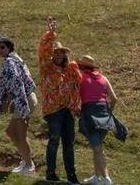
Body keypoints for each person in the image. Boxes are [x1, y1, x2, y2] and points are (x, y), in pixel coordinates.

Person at [38, 16, 81, 185]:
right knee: (54, 140)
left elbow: (76, 87)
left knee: (69, 143)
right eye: (56, 52)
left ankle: (72, 175)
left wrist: (76, 106)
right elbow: (43, 50)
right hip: (53, 110)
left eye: (61, 53)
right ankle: (50, 174)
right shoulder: (46, 68)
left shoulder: (69, 71)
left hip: (67, 110)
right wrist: (51, 32)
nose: (58, 55)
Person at [0, 34, 37, 176]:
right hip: (24, 98)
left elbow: (16, 83)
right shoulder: (14, 60)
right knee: (11, 132)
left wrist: (10, 101)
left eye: (3, 47)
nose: (0, 50)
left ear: (9, 47)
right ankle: (26, 160)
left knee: (19, 134)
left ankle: (29, 166)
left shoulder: (10, 62)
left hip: (24, 99)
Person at [76, 54, 122, 185]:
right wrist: (109, 112)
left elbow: (75, 95)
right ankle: (97, 177)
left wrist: (77, 109)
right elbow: (114, 99)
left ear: (81, 66)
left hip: (90, 114)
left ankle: (106, 178)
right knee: (97, 146)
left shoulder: (81, 77)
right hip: (104, 114)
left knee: (97, 149)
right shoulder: (103, 77)